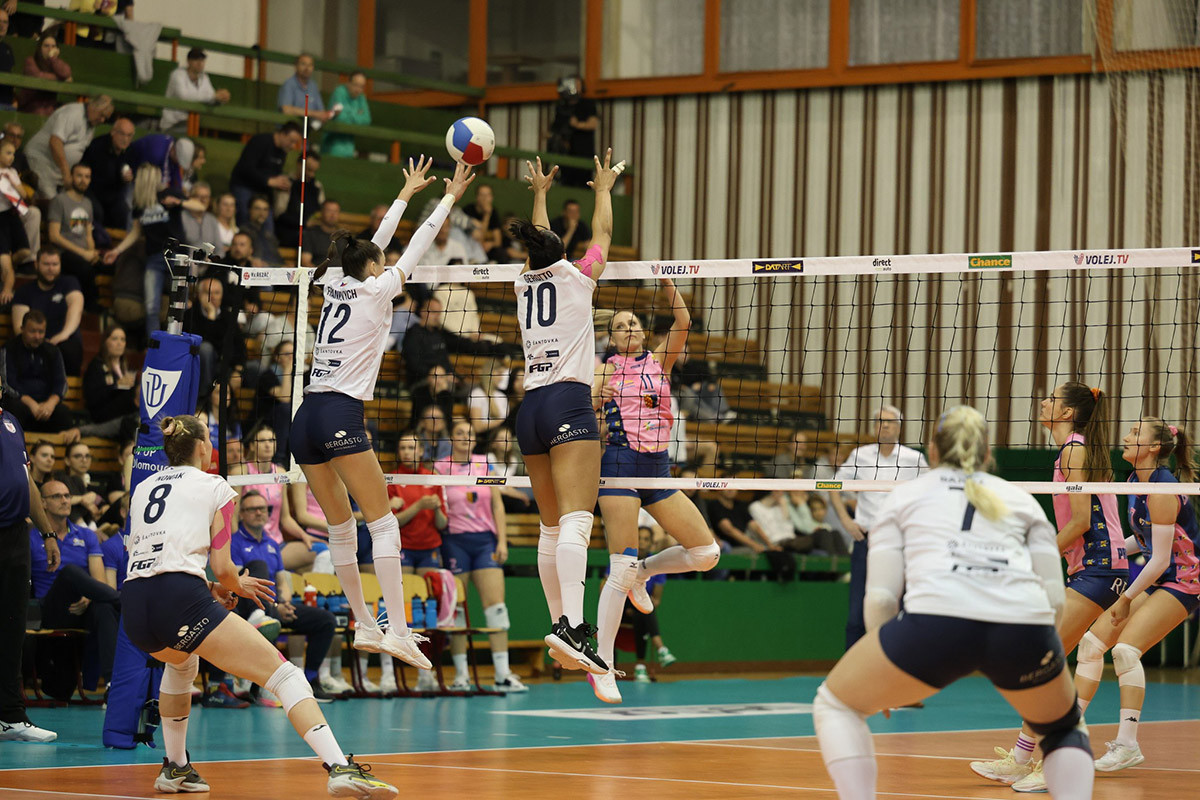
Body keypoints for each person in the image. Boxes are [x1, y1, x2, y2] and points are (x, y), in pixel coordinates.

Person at [814, 406, 1094, 800]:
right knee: (1063, 728)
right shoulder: (1021, 499)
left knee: (836, 704)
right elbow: (1053, 595)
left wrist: (885, 664)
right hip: (1022, 625)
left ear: (931, 450)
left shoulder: (903, 496)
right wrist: (1043, 649)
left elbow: (880, 597)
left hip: (936, 623)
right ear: (987, 453)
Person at [122, 415, 394, 796]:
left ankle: (176, 767)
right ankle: (340, 768)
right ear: (203, 447)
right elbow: (223, 566)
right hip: (179, 599)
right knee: (285, 676)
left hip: (135, 606)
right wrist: (237, 584)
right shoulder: (215, 485)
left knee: (181, 663)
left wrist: (211, 586)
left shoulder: (143, 487)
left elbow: (152, 558)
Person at [288, 157, 474, 674]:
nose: (385, 261)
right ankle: (396, 630)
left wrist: (404, 194)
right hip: (339, 412)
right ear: (373, 267)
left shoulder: (335, 282)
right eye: (380, 260)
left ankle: (366, 625)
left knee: (341, 528)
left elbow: (375, 244)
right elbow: (415, 245)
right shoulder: (377, 289)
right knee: (383, 522)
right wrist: (448, 196)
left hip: (306, 416)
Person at [969, 382, 1130, 791]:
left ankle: (1055, 760)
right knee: (1045, 666)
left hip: (1099, 569)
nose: (1043, 402)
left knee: (1044, 665)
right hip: (1092, 570)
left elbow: (1081, 521)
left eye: (1053, 399)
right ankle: (1023, 758)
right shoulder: (1074, 450)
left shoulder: (1075, 450)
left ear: (1068, 413)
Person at [508, 151, 620, 674]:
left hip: (530, 407)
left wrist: (539, 195)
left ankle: (559, 624)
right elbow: (603, 235)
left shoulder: (521, 282)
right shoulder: (579, 277)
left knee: (550, 526)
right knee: (576, 520)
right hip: (568, 402)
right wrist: (603, 190)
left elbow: (541, 244)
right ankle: (574, 627)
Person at [589, 278, 720, 702]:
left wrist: (667, 283)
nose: (629, 330)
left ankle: (646, 571)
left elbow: (683, 320)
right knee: (619, 566)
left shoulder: (659, 360)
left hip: (659, 470)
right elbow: (583, 412)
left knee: (707, 554)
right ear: (611, 338)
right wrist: (596, 397)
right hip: (620, 468)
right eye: (621, 326)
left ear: (644, 332)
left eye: (634, 324)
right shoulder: (604, 368)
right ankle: (602, 664)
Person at [1062, 416, 1200, 773]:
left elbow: (1161, 559)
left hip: (1183, 580)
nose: (1125, 437)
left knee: (1125, 650)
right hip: (1159, 576)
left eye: (1136, 433)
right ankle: (1067, 728)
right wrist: (1115, 550)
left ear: (1153, 447)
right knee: (1091, 644)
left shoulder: (1162, 489)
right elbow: (1143, 541)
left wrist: (1124, 599)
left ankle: (1127, 744)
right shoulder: (1134, 482)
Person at [435, 420, 527, 693]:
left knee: (496, 608)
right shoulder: (440, 467)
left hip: (485, 541)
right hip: (454, 542)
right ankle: (461, 676)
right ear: (452, 439)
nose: (466, 437)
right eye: (460, 433)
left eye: (470, 433)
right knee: (457, 609)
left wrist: (502, 540)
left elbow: (497, 503)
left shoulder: (484, 463)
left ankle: (502, 674)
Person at [830, 405, 928, 649]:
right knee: (856, 614)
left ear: (899, 427)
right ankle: (853, 667)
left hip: (900, 543)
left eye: (889, 422)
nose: (884, 426)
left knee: (900, 609)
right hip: (865, 540)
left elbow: (931, 493)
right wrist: (845, 520)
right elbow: (833, 486)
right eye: (879, 422)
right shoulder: (860, 455)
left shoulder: (914, 459)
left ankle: (900, 662)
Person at [230, 492, 341, 701]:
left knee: (325, 620)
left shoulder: (272, 544)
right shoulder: (234, 542)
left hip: (275, 605)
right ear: (241, 514)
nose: (259, 513)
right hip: (247, 605)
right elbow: (235, 583)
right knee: (259, 574)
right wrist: (274, 607)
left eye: (263, 509)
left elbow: (282, 582)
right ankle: (264, 686)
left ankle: (310, 682)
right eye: (252, 509)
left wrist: (285, 604)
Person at [0, 404, 60, 743]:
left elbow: (27, 483)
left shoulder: (11, 422)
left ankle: (9, 716)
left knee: (12, 630)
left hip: (15, 537)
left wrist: (47, 532)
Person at [28, 480, 120, 691]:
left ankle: (112, 685)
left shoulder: (86, 535)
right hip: (49, 609)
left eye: (67, 495)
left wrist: (88, 597)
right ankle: (122, 601)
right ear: (43, 503)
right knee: (69, 572)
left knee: (105, 607)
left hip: (82, 606)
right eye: (57, 496)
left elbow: (99, 581)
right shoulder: (31, 536)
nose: (65, 500)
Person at [103, 164, 197, 339]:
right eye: (158, 176)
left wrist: (179, 202)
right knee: (151, 306)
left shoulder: (168, 194)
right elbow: (136, 232)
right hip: (154, 257)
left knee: (181, 303)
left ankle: (179, 342)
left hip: (177, 256)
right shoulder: (140, 204)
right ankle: (153, 345)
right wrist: (117, 250)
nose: (161, 180)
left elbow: (199, 206)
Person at [229, 424, 315, 571]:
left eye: (271, 440)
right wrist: (238, 546)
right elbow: (232, 517)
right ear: (252, 446)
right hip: (249, 542)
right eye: (262, 441)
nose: (268, 445)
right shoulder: (241, 471)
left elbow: (285, 518)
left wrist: (304, 535)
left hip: (276, 543)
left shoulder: (280, 472)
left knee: (322, 551)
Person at [25, 95, 113, 201]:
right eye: (101, 115)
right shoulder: (73, 113)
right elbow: (55, 142)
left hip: (58, 171)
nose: (102, 120)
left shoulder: (91, 124)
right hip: (42, 162)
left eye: (105, 118)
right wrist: (66, 172)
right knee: (54, 203)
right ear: (94, 107)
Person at [12, 248, 84, 375]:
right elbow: (20, 328)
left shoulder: (69, 283)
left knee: (71, 349)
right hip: (36, 342)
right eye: (46, 264)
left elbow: (76, 309)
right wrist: (40, 342)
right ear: (36, 265)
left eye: (55, 264)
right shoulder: (24, 292)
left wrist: (62, 336)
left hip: (63, 341)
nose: (51, 269)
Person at [3, 311, 72, 432]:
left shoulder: (53, 351)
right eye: (32, 331)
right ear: (22, 329)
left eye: (41, 332)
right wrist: (31, 404)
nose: (37, 336)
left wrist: (50, 404)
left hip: (46, 404)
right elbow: (8, 383)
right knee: (13, 410)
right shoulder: (9, 349)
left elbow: (61, 383)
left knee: (64, 413)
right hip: (20, 402)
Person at [67, 324, 138, 442]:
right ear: (105, 342)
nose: (119, 343)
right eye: (115, 339)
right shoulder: (96, 365)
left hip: (124, 415)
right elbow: (92, 398)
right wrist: (116, 386)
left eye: (122, 339)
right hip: (102, 415)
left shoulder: (126, 367)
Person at [46, 163, 100, 311]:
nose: (83, 180)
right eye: (79, 176)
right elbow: (53, 236)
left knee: (110, 265)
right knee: (85, 269)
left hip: (83, 254)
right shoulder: (59, 200)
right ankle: (90, 309)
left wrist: (92, 252)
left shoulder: (88, 203)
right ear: (71, 177)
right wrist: (83, 253)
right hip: (64, 254)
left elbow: (88, 234)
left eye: (87, 177)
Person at [229, 122, 300, 226]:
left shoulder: (283, 151)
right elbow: (246, 168)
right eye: (291, 141)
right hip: (244, 185)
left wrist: (281, 182)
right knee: (245, 216)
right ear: (282, 134)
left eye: (295, 143)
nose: (293, 146)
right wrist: (268, 181)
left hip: (263, 191)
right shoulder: (260, 141)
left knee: (268, 223)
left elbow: (275, 173)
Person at [80, 116, 134, 231]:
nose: (125, 139)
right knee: (97, 212)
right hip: (92, 190)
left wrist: (126, 179)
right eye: (122, 134)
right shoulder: (98, 146)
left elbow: (124, 178)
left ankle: (115, 241)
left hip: (113, 194)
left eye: (129, 135)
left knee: (124, 212)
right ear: (113, 132)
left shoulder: (129, 151)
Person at [161, 47, 231, 133]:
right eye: (196, 59)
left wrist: (220, 98)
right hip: (172, 124)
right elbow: (184, 96)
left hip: (193, 124)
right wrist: (213, 96)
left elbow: (211, 96)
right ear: (188, 61)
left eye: (202, 60)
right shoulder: (177, 74)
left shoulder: (204, 77)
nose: (199, 63)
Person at [546, 75, 598, 187]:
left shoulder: (587, 103)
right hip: (566, 154)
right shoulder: (561, 106)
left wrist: (578, 125)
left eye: (577, 84)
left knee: (584, 184)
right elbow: (555, 127)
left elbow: (593, 124)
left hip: (583, 152)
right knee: (566, 183)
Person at [0, 138, 32, 305]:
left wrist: (12, 182)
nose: (12, 157)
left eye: (13, 153)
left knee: (25, 252)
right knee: (5, 260)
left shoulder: (12, 172)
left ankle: (6, 268)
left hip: (11, 215)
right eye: (8, 153)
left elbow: (24, 195)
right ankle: (7, 285)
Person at [18, 34, 71, 117]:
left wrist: (53, 58)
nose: (50, 49)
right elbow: (38, 76)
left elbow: (66, 73)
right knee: (41, 112)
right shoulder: (31, 60)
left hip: (49, 106)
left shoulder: (55, 63)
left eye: (53, 46)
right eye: (46, 46)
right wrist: (60, 79)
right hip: (30, 105)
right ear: (40, 48)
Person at [323, 71, 370, 158]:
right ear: (348, 83)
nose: (358, 90)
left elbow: (366, 120)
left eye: (361, 86)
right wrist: (357, 114)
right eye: (356, 85)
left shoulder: (361, 97)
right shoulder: (339, 92)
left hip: (350, 147)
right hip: (332, 145)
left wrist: (348, 113)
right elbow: (339, 118)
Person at [278, 53, 333, 121]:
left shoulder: (313, 86)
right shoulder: (289, 84)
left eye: (310, 65)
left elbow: (321, 112)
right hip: (292, 124)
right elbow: (286, 110)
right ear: (296, 66)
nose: (307, 68)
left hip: (311, 125)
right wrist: (313, 114)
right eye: (303, 64)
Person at [463, 184, 505, 262]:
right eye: (482, 195)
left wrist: (491, 244)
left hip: (487, 248)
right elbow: (479, 237)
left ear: (492, 198)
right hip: (471, 246)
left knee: (500, 253)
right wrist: (487, 215)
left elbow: (498, 241)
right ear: (477, 197)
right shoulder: (469, 210)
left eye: (488, 195)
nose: (485, 198)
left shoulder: (494, 212)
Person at [243, 194, 283, 265]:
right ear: (250, 210)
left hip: (277, 268)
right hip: (259, 270)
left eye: (265, 209)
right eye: (257, 209)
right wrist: (252, 260)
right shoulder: (244, 231)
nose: (262, 213)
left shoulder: (269, 234)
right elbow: (240, 253)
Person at [181, 181, 221, 251]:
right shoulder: (182, 217)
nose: (203, 200)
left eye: (206, 197)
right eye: (200, 197)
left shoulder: (212, 219)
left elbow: (219, 248)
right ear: (191, 197)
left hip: (208, 258)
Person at [302, 199, 341, 268]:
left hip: (342, 273)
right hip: (320, 272)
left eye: (335, 211)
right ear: (322, 212)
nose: (332, 215)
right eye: (329, 211)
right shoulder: (310, 234)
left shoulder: (343, 236)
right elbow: (306, 262)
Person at [213, 191, 237, 256]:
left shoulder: (236, 230)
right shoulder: (211, 225)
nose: (229, 208)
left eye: (232, 205)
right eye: (225, 204)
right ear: (217, 206)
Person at [0, 8, 14, 110]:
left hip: (7, 104)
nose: (2, 25)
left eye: (5, 22)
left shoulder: (8, 49)